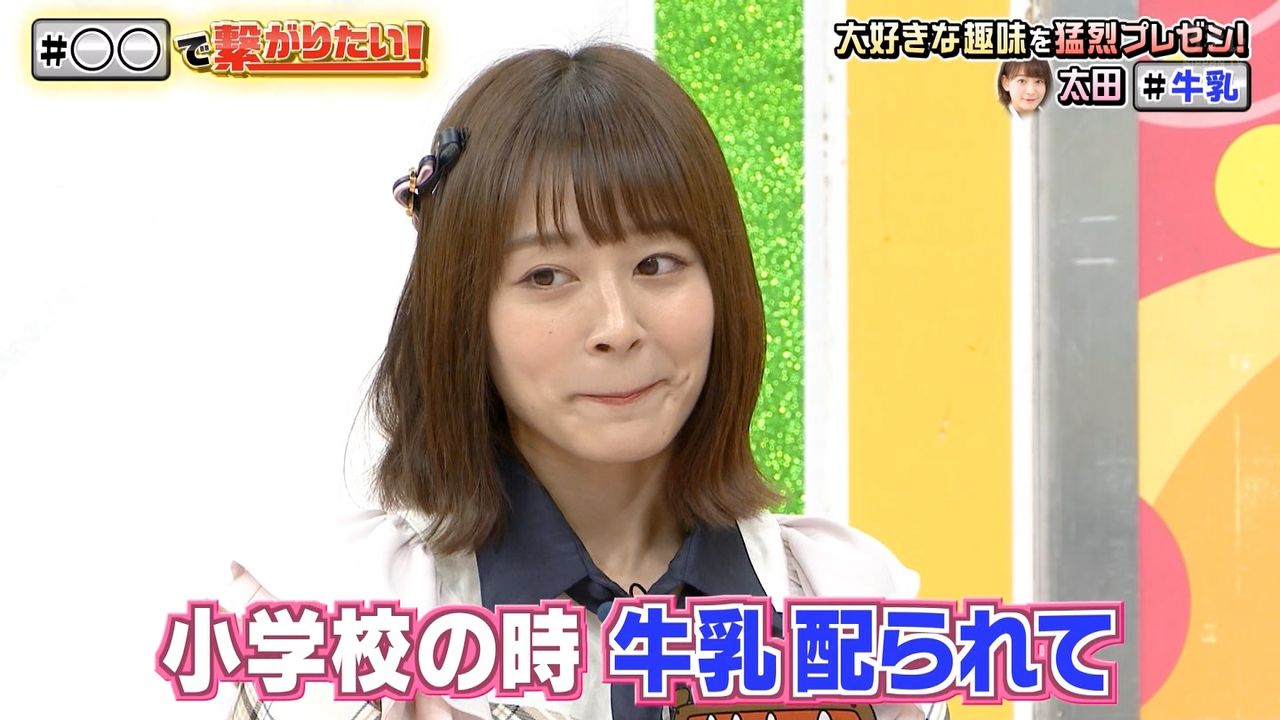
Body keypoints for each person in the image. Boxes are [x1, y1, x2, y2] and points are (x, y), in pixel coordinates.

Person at [219, 44, 941, 720]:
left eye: (657, 264)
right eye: (546, 276)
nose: (617, 327)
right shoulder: (324, 618)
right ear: (463, 313)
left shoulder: (854, 605)